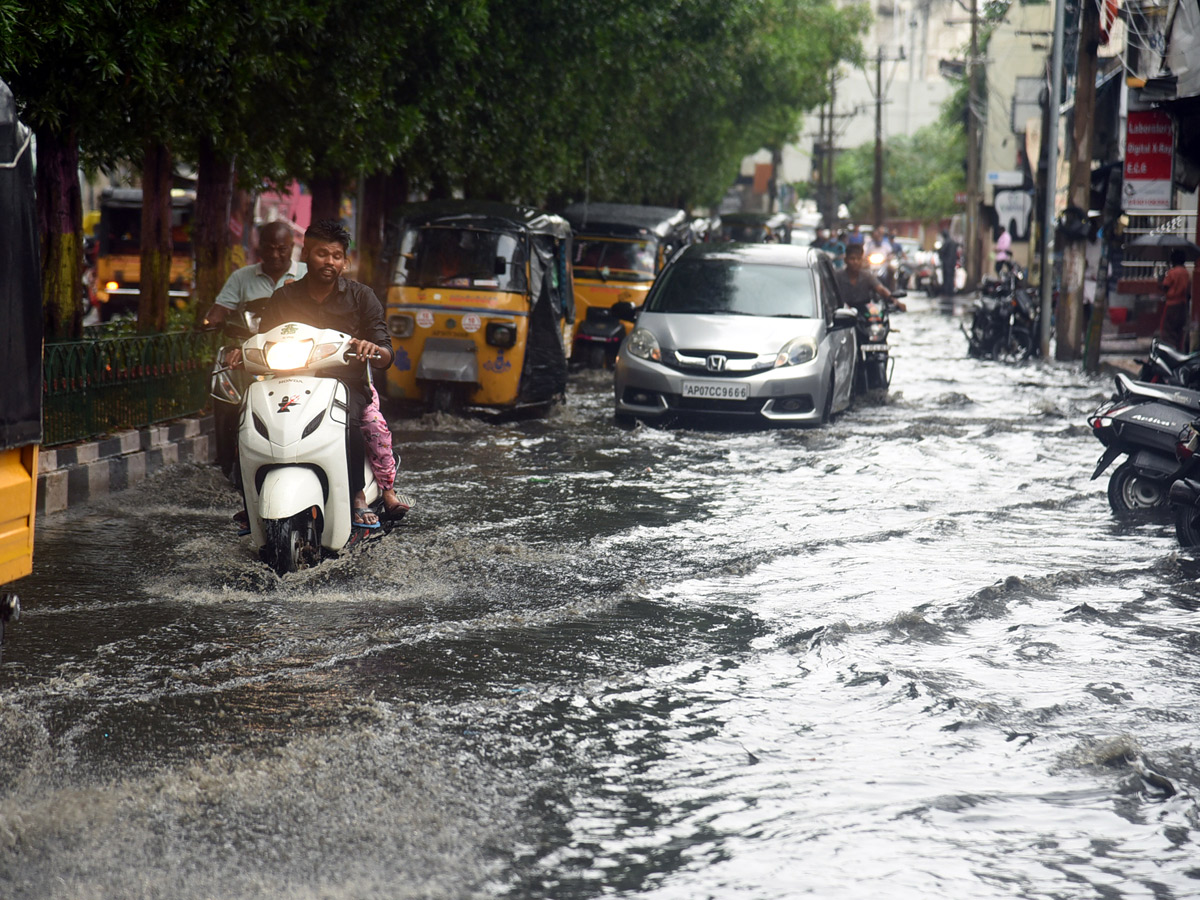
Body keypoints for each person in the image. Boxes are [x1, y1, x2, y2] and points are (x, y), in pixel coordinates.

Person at [228, 219, 408, 527]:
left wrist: (373, 349)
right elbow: (263, 341)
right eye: (322, 254)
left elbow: (385, 350)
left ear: (344, 261)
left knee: (352, 421)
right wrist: (242, 353)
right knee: (249, 417)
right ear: (306, 255)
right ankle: (251, 496)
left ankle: (356, 495)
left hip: (346, 385)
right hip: (287, 382)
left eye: (337, 256)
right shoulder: (284, 298)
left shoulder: (362, 297)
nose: (330, 262)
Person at [204, 221, 305, 326]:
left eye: (282, 249)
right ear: (260, 246)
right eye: (269, 249)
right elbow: (220, 311)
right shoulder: (241, 277)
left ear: (292, 247)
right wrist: (211, 323)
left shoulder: (308, 274)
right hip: (252, 339)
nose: (275, 255)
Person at [835, 243, 906, 313]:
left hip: (864, 312)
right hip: (842, 312)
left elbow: (881, 290)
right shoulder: (837, 276)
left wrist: (896, 302)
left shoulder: (867, 276)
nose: (855, 262)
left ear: (862, 260)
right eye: (852, 259)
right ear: (846, 260)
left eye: (858, 259)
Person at [1159, 248, 1190, 350]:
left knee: (1168, 330)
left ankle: (1169, 349)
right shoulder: (1186, 273)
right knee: (1179, 330)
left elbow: (1165, 286)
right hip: (1182, 304)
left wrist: (1163, 277)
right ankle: (1178, 348)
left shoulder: (1172, 273)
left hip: (1171, 304)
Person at [937, 229, 959, 299]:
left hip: (947, 263)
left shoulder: (947, 242)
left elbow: (942, 251)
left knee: (947, 278)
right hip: (952, 263)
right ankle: (950, 291)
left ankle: (947, 292)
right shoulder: (952, 242)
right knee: (951, 277)